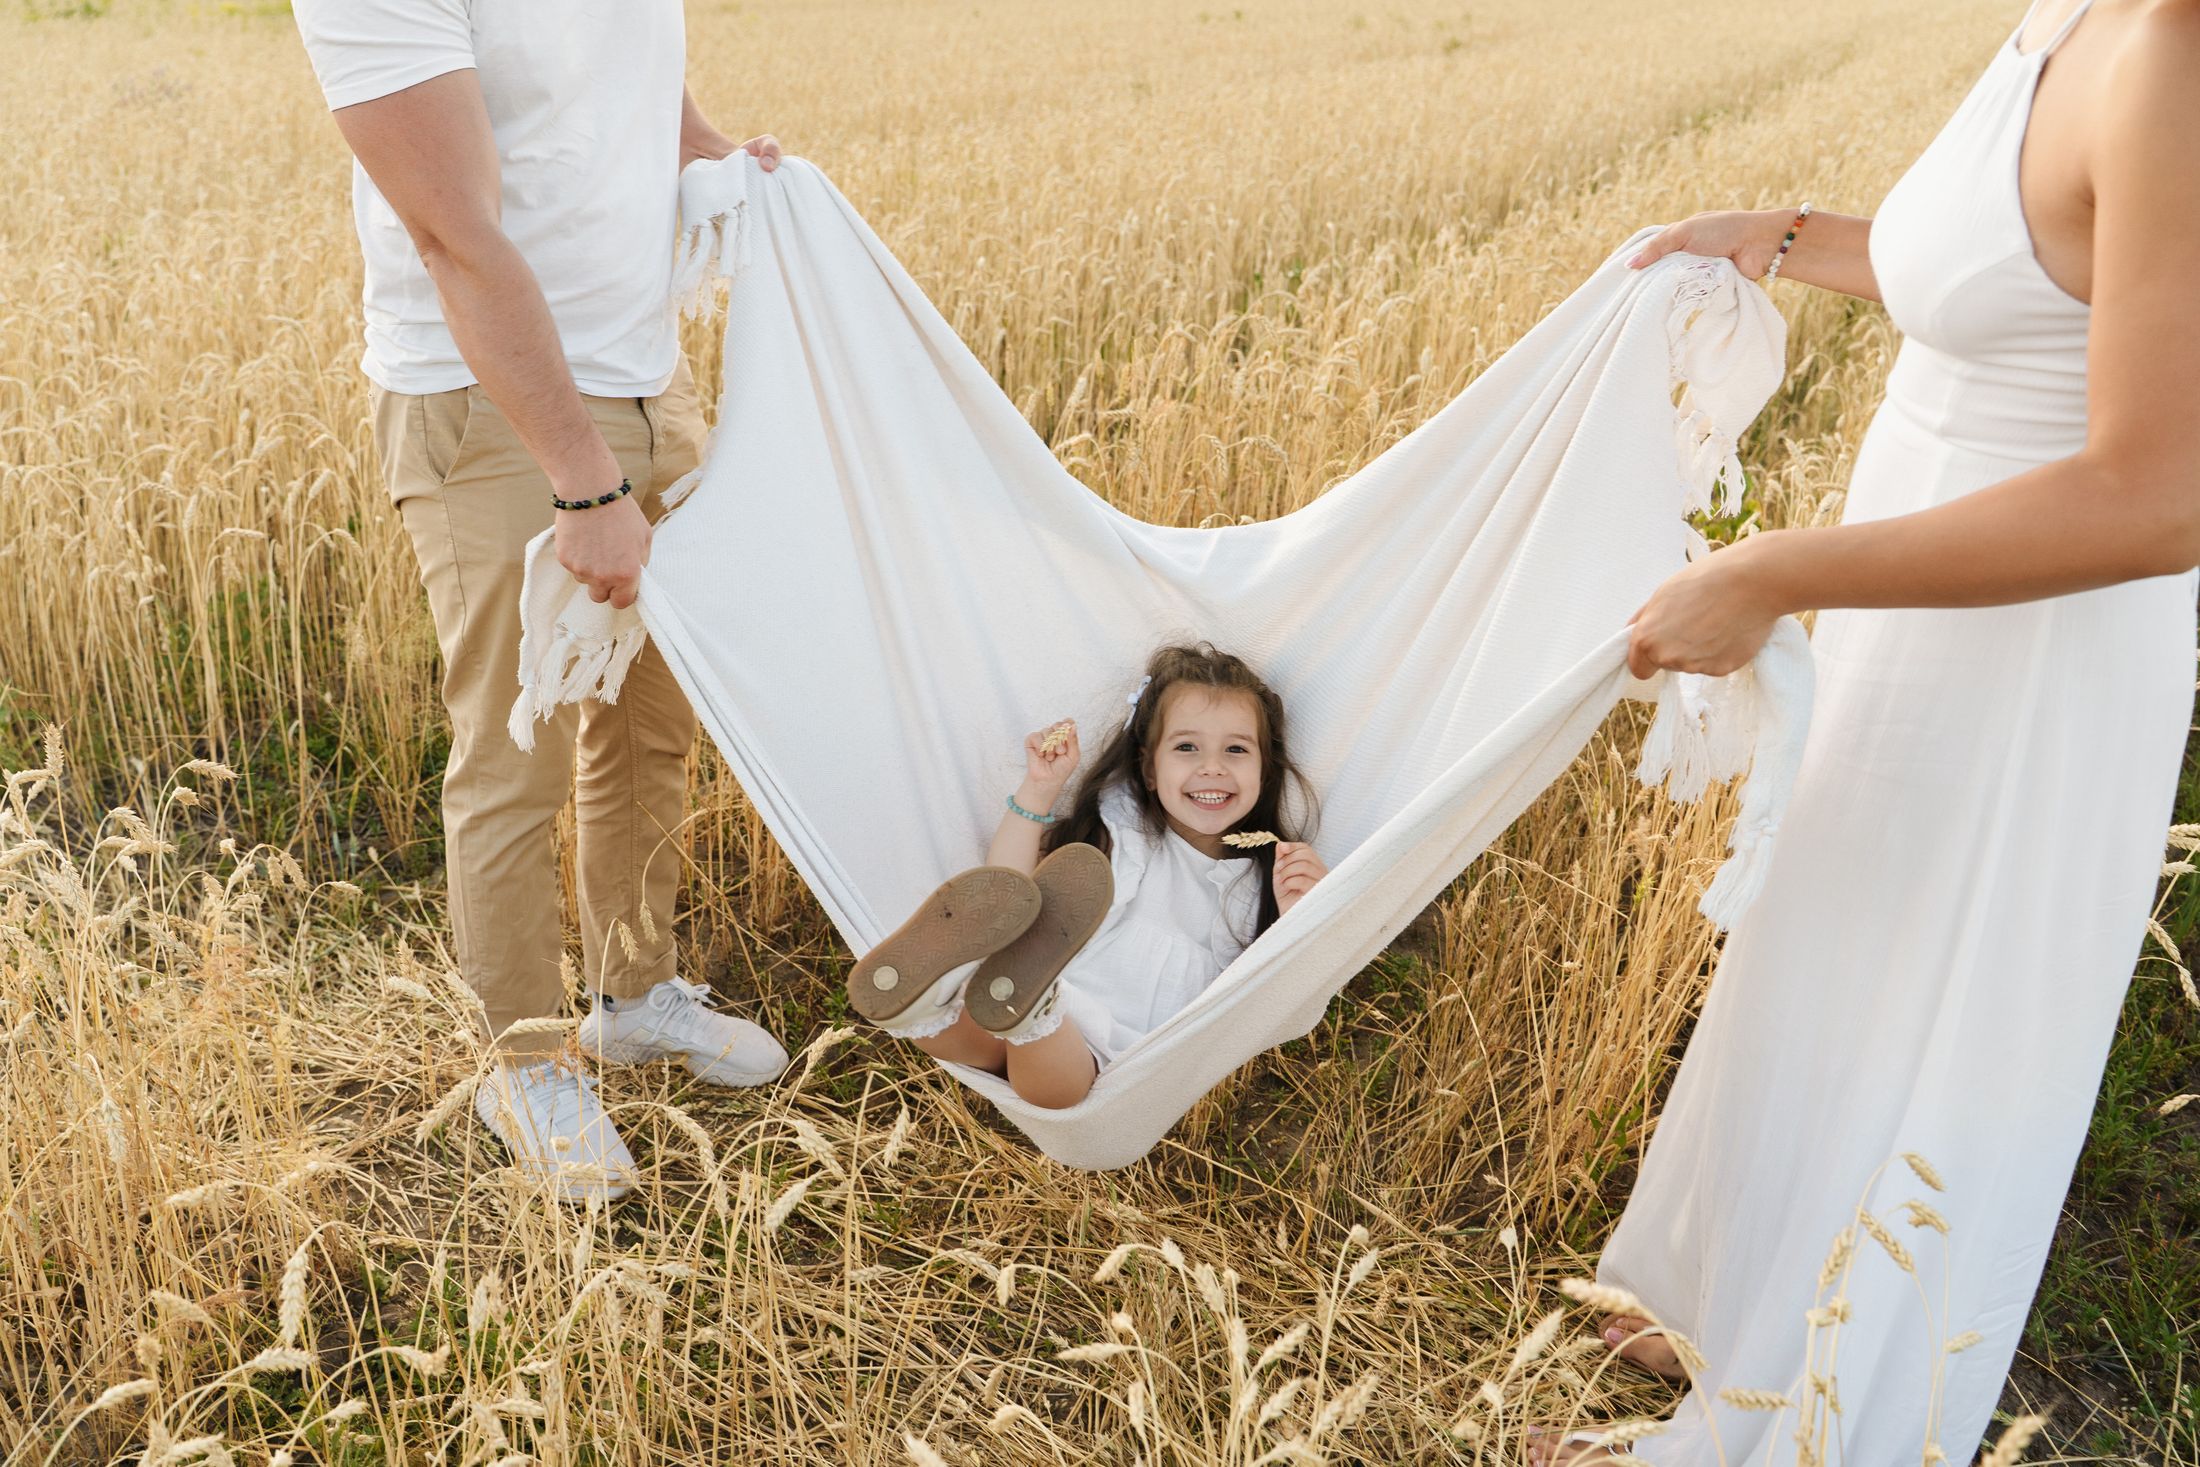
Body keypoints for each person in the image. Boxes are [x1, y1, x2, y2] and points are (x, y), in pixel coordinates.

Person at [1530, 0, 2200, 1461]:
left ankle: (1809, 1418)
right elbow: (1997, 273)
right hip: (1922, 596)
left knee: (1940, 1002)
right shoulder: (2077, 11)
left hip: (2035, 645)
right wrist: (1772, 239)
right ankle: (1738, 1304)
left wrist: (1773, 571)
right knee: (1837, 932)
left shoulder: (2177, 63)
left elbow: (2160, 499)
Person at [290, 0, 794, 1202]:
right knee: (517, 738)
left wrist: (713, 153)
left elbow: (627, 84)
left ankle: (632, 996)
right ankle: (523, 1057)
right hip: (494, 403)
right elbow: (451, 232)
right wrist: (582, 482)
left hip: (642, 372)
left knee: (649, 717)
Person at [846, 644, 1329, 1110]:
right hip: (1026, 987)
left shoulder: (1265, 878)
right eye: (1186, 747)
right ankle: (924, 1004)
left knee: (1055, 1085)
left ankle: (984, 1011)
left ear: (1265, 772)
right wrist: (1039, 790)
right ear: (1150, 769)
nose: (1212, 768)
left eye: (1236, 750)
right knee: (990, 1040)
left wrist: (1300, 917)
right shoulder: (1121, 833)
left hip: (1112, 1047)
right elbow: (1008, 888)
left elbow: (1272, 1006)